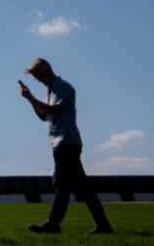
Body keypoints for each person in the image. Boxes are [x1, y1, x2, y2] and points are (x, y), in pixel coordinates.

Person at [20, 58, 113, 235]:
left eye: (39, 74)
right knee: (80, 187)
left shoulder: (62, 87)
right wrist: (29, 100)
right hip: (63, 143)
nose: (38, 79)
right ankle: (103, 225)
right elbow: (43, 116)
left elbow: (56, 110)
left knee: (63, 184)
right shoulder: (52, 89)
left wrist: (32, 98)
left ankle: (54, 224)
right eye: (36, 77)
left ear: (47, 69)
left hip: (66, 142)